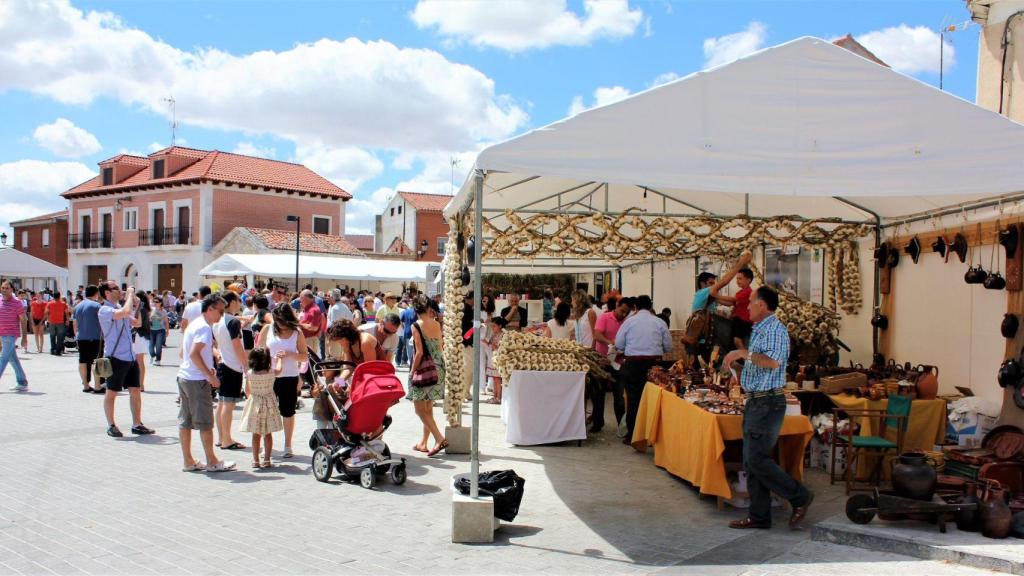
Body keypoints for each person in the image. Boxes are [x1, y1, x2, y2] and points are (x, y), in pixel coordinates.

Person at [722, 286, 813, 530]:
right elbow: (760, 363)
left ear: (762, 305)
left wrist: (742, 353)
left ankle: (799, 496)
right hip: (757, 400)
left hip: (767, 403)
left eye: (751, 302)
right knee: (751, 461)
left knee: (757, 459)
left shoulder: (774, 329)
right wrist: (739, 371)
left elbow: (772, 362)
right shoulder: (761, 330)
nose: (747, 306)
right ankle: (759, 516)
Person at [177, 293, 236, 473]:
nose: (221, 315)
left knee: (185, 422)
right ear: (210, 309)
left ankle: (188, 460)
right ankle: (212, 460)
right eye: (219, 311)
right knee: (205, 423)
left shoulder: (196, 323)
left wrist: (208, 364)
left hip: (185, 377)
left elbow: (185, 353)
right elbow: (194, 354)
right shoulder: (203, 328)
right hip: (196, 380)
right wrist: (209, 376)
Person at [97, 282, 154, 437]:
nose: (120, 290)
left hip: (129, 356)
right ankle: (111, 425)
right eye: (116, 288)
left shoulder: (119, 308)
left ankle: (137, 423)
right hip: (115, 357)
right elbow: (125, 311)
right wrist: (129, 295)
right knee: (112, 392)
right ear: (107, 293)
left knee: (135, 390)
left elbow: (137, 322)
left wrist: (138, 306)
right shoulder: (105, 310)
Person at [615, 295, 672, 444]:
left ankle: (633, 436)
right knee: (654, 399)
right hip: (654, 365)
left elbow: (619, 344)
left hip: (633, 364)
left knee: (634, 400)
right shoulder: (660, 322)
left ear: (635, 307)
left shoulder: (629, 322)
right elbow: (668, 347)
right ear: (650, 306)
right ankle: (652, 436)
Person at [258, 305, 308, 458]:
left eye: (283, 322)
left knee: (288, 412)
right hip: (269, 376)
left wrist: (290, 354)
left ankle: (288, 445)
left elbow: (304, 356)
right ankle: (266, 445)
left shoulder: (296, 332)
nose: (281, 325)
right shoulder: (267, 329)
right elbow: (258, 351)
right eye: (278, 321)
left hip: (289, 376)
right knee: (265, 411)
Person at [408, 295, 447, 457]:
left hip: (424, 369)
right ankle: (423, 443)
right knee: (428, 409)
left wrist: (411, 373)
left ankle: (439, 439)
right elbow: (439, 346)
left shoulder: (416, 325)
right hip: (438, 367)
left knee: (419, 409)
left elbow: (419, 353)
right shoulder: (437, 324)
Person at [214, 290, 248, 451]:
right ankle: (226, 439)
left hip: (222, 364)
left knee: (222, 403)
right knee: (228, 404)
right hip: (232, 366)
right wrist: (245, 365)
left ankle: (222, 437)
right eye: (238, 300)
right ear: (232, 302)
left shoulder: (218, 320)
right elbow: (237, 345)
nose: (240, 304)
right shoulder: (232, 321)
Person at [240, 347, 284, 469]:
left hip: (255, 403)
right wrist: (280, 359)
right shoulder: (270, 372)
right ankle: (267, 460)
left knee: (256, 433)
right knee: (268, 433)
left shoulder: (250, 373)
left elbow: (247, 390)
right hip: (269, 403)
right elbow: (279, 370)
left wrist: (253, 397)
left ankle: (255, 460)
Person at [591, 297, 630, 434]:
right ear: (617, 306)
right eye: (622, 311)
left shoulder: (627, 322)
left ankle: (622, 426)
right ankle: (597, 423)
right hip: (601, 361)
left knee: (619, 396)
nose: (623, 314)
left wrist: (621, 350)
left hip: (618, 363)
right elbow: (597, 335)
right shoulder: (604, 317)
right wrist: (610, 343)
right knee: (598, 394)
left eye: (626, 312)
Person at [711, 257, 756, 349]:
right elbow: (730, 303)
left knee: (737, 340)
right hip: (737, 320)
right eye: (737, 279)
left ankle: (745, 358)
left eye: (740, 279)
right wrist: (715, 299)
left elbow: (732, 300)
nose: (737, 281)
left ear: (748, 280)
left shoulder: (748, 292)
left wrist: (716, 295)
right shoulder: (740, 292)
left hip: (743, 321)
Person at [74, 285, 104, 393]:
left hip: (81, 337)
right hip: (95, 337)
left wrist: (76, 335)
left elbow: (75, 323)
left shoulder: (78, 306)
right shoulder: (97, 306)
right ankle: (97, 385)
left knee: (83, 361)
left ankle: (85, 385)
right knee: (96, 361)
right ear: (96, 294)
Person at [0, 281, 28, 391]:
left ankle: (22, 382)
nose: (4, 290)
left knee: (3, 358)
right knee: (12, 359)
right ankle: (22, 382)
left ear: (12, 289)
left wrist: (25, 337)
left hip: (11, 334)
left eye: (7, 288)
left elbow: (23, 320)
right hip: (2, 334)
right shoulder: (0, 301)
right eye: (2, 287)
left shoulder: (17, 303)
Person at [131, 292, 152, 392]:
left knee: (139, 361)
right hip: (141, 336)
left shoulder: (141, 309)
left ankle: (140, 384)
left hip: (139, 336)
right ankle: (140, 384)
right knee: (139, 361)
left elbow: (138, 324)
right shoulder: (145, 309)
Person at [484, 316, 507, 404]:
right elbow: (491, 344)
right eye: (492, 326)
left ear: (500, 325)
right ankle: (495, 396)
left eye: (494, 326)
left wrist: (494, 346)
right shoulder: (494, 334)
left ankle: (499, 397)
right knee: (494, 378)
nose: (492, 328)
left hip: (499, 359)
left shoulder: (503, 334)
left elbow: (503, 347)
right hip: (493, 358)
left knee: (498, 378)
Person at [149, 295, 170, 366]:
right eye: (154, 302)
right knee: (151, 346)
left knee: (158, 346)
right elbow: (147, 319)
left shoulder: (163, 311)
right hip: (151, 330)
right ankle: (152, 355)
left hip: (160, 330)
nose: (155, 303)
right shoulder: (151, 309)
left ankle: (158, 360)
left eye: (157, 302)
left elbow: (166, 322)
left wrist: (167, 331)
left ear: (160, 303)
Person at [399, 300, 417, 367]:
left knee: (409, 350)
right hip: (415, 332)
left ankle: (411, 364)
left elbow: (401, 321)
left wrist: (404, 327)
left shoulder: (405, 311)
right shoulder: (417, 312)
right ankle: (415, 364)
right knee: (416, 349)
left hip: (407, 332)